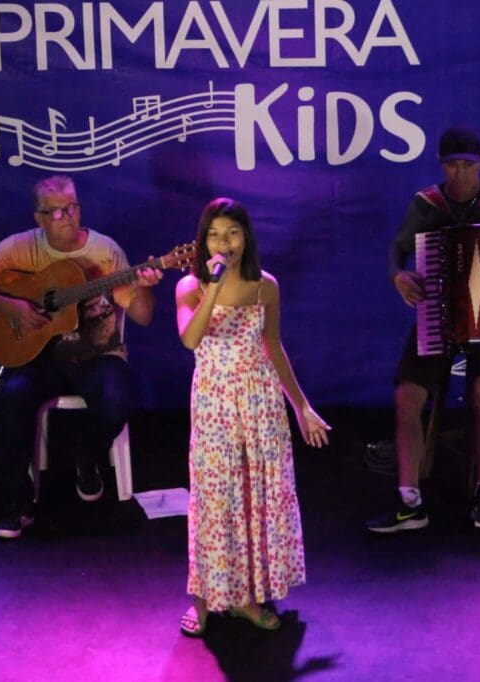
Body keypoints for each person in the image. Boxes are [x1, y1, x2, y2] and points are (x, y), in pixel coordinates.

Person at [0, 175, 163, 539]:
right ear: (40, 218)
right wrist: (12, 307)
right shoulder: (19, 248)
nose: (67, 216)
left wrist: (143, 287)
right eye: (56, 211)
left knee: (117, 396)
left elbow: (142, 316)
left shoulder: (105, 251)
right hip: (40, 357)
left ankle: (87, 455)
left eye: (72, 206)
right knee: (14, 395)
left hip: (97, 355)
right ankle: (16, 502)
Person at [174, 197, 330, 636]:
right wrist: (214, 287)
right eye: (214, 235)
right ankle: (205, 596)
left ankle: (244, 596)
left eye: (232, 233)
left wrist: (301, 406)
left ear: (246, 238)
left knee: (254, 498)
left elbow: (272, 347)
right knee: (214, 499)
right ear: (203, 240)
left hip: (260, 400)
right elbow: (190, 339)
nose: (223, 243)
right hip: (214, 404)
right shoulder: (190, 286)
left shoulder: (266, 286)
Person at [366, 126, 480, 533]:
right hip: (437, 311)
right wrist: (397, 275)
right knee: (407, 395)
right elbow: (397, 248)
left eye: (467, 165)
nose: (459, 173)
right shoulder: (428, 205)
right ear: (441, 165)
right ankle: (409, 502)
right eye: (452, 165)